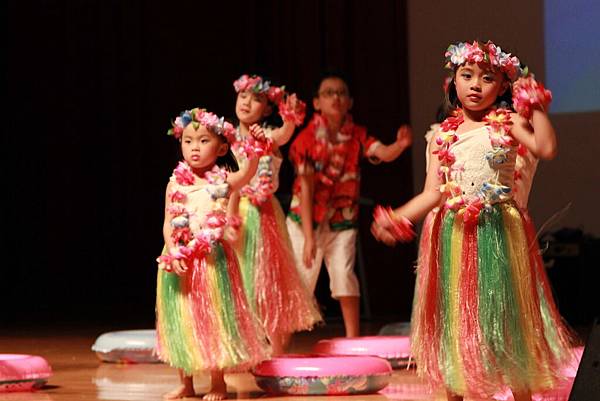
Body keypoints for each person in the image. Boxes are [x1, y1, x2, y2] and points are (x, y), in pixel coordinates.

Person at [371, 40, 576, 401]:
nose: (476, 85)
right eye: (467, 76)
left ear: (503, 87)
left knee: (507, 320)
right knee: (458, 322)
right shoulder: (443, 137)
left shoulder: (508, 122)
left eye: (487, 78)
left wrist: (536, 106)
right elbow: (433, 193)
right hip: (456, 235)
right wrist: (397, 217)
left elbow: (546, 148)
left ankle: (522, 391)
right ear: (453, 83)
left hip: (499, 230)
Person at [155, 107, 271, 400]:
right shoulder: (175, 183)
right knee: (182, 321)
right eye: (188, 140)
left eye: (203, 141)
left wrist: (255, 149)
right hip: (179, 261)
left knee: (213, 321)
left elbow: (248, 172)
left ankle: (218, 382)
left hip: (211, 262)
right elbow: (168, 224)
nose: (194, 147)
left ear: (221, 148)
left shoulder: (223, 182)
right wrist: (175, 249)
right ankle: (187, 383)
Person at [286, 72, 413, 337]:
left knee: (344, 274)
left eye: (341, 92)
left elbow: (382, 152)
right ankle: (281, 345)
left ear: (350, 102)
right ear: (317, 102)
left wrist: (399, 146)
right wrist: (309, 236)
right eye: (329, 92)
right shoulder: (305, 142)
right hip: (304, 221)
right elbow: (307, 190)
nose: (336, 97)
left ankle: (353, 340)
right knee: (299, 280)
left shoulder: (357, 135)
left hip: (341, 221)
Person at [228, 74, 322, 355]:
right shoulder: (226, 140)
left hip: (265, 215)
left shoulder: (267, 137)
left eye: (256, 99)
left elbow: (283, 134)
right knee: (239, 283)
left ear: (267, 110)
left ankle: (277, 351)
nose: (247, 102)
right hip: (236, 216)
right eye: (243, 96)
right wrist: (229, 217)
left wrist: (291, 118)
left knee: (268, 284)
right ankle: (244, 346)